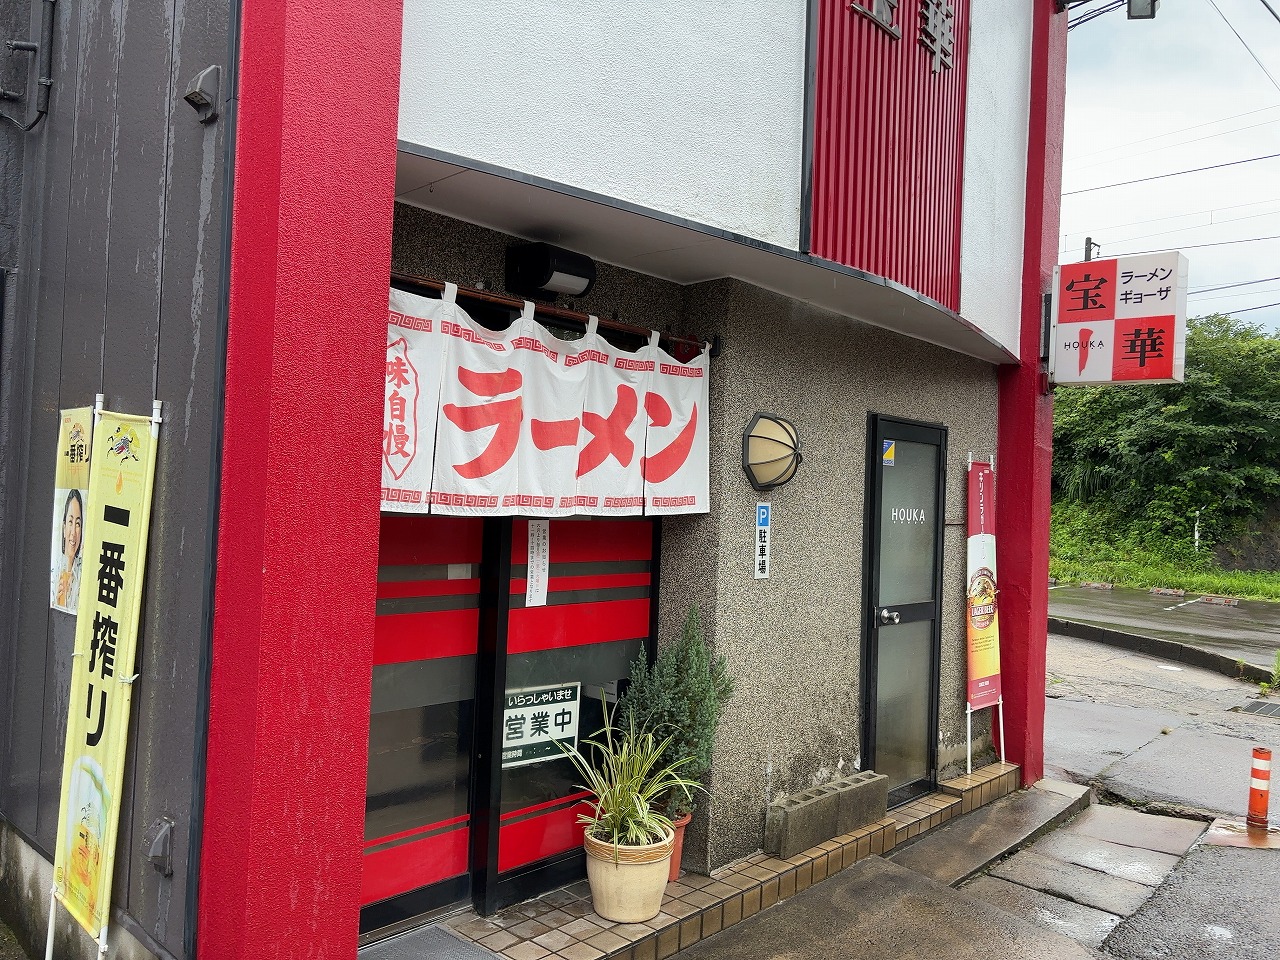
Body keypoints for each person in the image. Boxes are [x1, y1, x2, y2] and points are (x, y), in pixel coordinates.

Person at [52, 488, 84, 611]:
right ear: (64, 527)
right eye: (70, 521)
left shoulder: (83, 571)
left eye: (78, 524)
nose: (73, 533)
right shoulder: (54, 570)